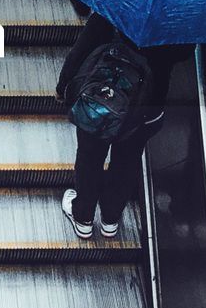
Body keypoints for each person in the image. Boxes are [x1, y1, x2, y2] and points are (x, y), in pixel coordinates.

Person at [56, 12, 192, 238]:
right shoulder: (180, 18)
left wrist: (63, 86)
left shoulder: (117, 2)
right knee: (127, 161)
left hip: (103, 98)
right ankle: (110, 219)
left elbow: (84, 46)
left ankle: (83, 217)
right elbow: (184, 53)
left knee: (90, 156)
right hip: (146, 107)